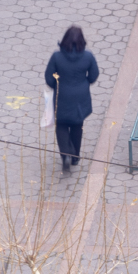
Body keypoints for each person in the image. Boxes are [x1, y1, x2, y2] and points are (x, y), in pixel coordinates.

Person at [44, 26, 99, 173]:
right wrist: (83, 82)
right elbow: (93, 76)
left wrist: (57, 81)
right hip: (80, 97)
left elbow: (49, 79)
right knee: (77, 125)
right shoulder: (88, 56)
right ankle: (75, 156)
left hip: (62, 94)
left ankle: (65, 154)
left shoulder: (57, 57)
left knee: (61, 124)